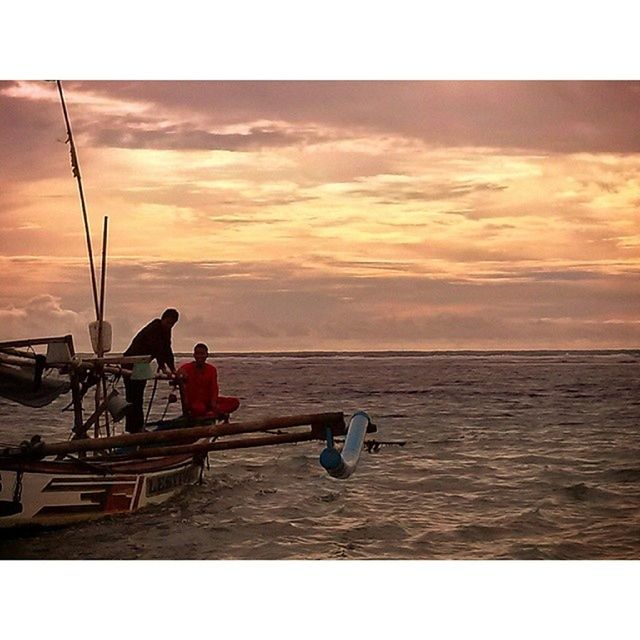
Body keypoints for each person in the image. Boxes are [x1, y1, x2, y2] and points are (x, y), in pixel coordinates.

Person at [123, 308, 179, 433]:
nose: (169, 326)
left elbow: (167, 350)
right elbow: (157, 348)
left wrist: (173, 369)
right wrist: (164, 368)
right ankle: (134, 428)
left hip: (143, 363)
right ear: (163, 319)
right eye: (168, 323)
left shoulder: (166, 331)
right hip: (131, 363)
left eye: (172, 324)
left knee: (139, 397)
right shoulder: (154, 328)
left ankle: (138, 426)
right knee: (133, 397)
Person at [177, 343, 240, 420]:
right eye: (197, 354)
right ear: (194, 355)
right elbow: (179, 372)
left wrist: (213, 404)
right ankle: (212, 413)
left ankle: (212, 412)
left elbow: (214, 388)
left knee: (235, 402)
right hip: (195, 403)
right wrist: (181, 373)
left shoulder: (211, 369)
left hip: (209, 402)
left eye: (202, 354)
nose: (200, 356)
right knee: (199, 409)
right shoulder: (187, 368)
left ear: (207, 355)